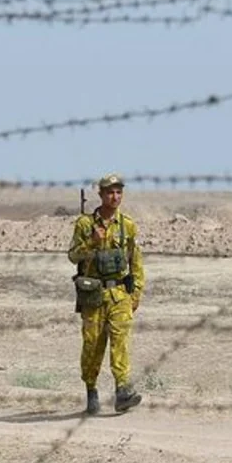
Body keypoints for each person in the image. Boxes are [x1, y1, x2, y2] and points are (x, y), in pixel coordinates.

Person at [68, 173, 146, 415]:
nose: (115, 197)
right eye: (110, 192)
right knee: (93, 345)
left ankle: (123, 391)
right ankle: (91, 389)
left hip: (120, 294)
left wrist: (136, 292)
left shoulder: (127, 225)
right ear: (101, 195)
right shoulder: (85, 224)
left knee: (120, 343)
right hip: (93, 295)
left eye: (118, 192)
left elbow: (136, 261)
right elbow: (73, 256)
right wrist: (91, 242)